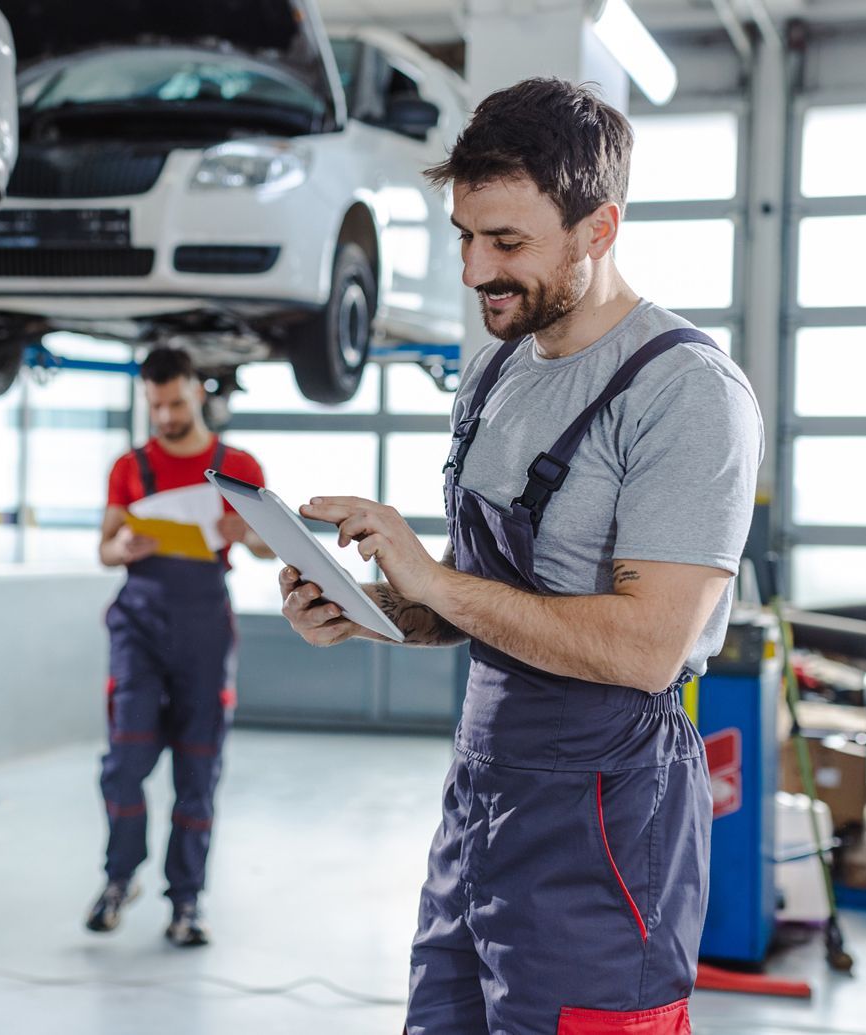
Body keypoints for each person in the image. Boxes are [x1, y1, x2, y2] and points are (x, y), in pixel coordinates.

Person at [280, 78, 762, 1033]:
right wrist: (377, 607)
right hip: (483, 797)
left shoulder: (686, 395)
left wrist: (433, 579)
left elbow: (642, 649)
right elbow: (482, 598)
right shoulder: (495, 371)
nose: (474, 270)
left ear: (599, 227)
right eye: (466, 234)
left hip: (608, 820)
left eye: (507, 243)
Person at [88, 346, 275, 947]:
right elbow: (105, 547)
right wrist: (125, 549)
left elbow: (272, 548)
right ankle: (120, 878)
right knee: (124, 765)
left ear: (197, 391)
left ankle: (187, 902)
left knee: (198, 768)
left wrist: (245, 532)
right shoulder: (130, 467)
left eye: (174, 402)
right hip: (138, 623)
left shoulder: (239, 464)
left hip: (203, 624)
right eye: (155, 405)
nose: (165, 416)